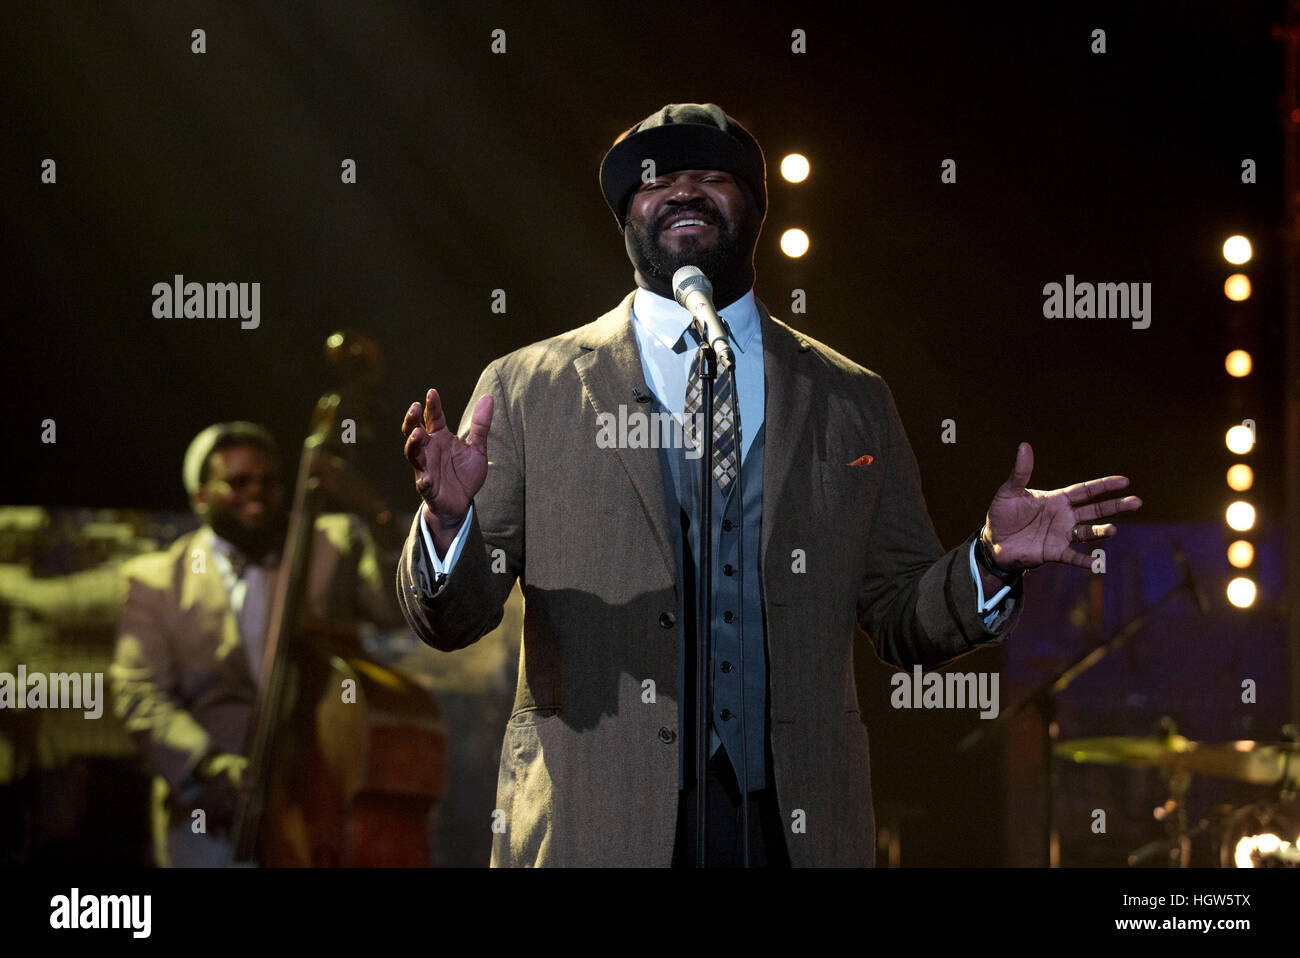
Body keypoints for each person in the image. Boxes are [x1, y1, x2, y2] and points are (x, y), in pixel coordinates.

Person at [396, 103, 1142, 867]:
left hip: (792, 825)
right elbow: (454, 620)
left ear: (754, 206)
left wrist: (987, 561)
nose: (683, 191)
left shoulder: (852, 398)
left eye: (712, 176)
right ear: (625, 215)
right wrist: (452, 529)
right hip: (593, 819)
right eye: (657, 180)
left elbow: (898, 612)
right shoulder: (528, 389)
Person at [110, 422, 404, 866]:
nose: (257, 493)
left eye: (268, 482)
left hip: (317, 803)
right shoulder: (156, 581)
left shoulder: (330, 543)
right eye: (237, 482)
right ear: (200, 496)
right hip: (205, 817)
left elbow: (398, 609)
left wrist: (377, 517)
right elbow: (138, 693)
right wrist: (207, 766)